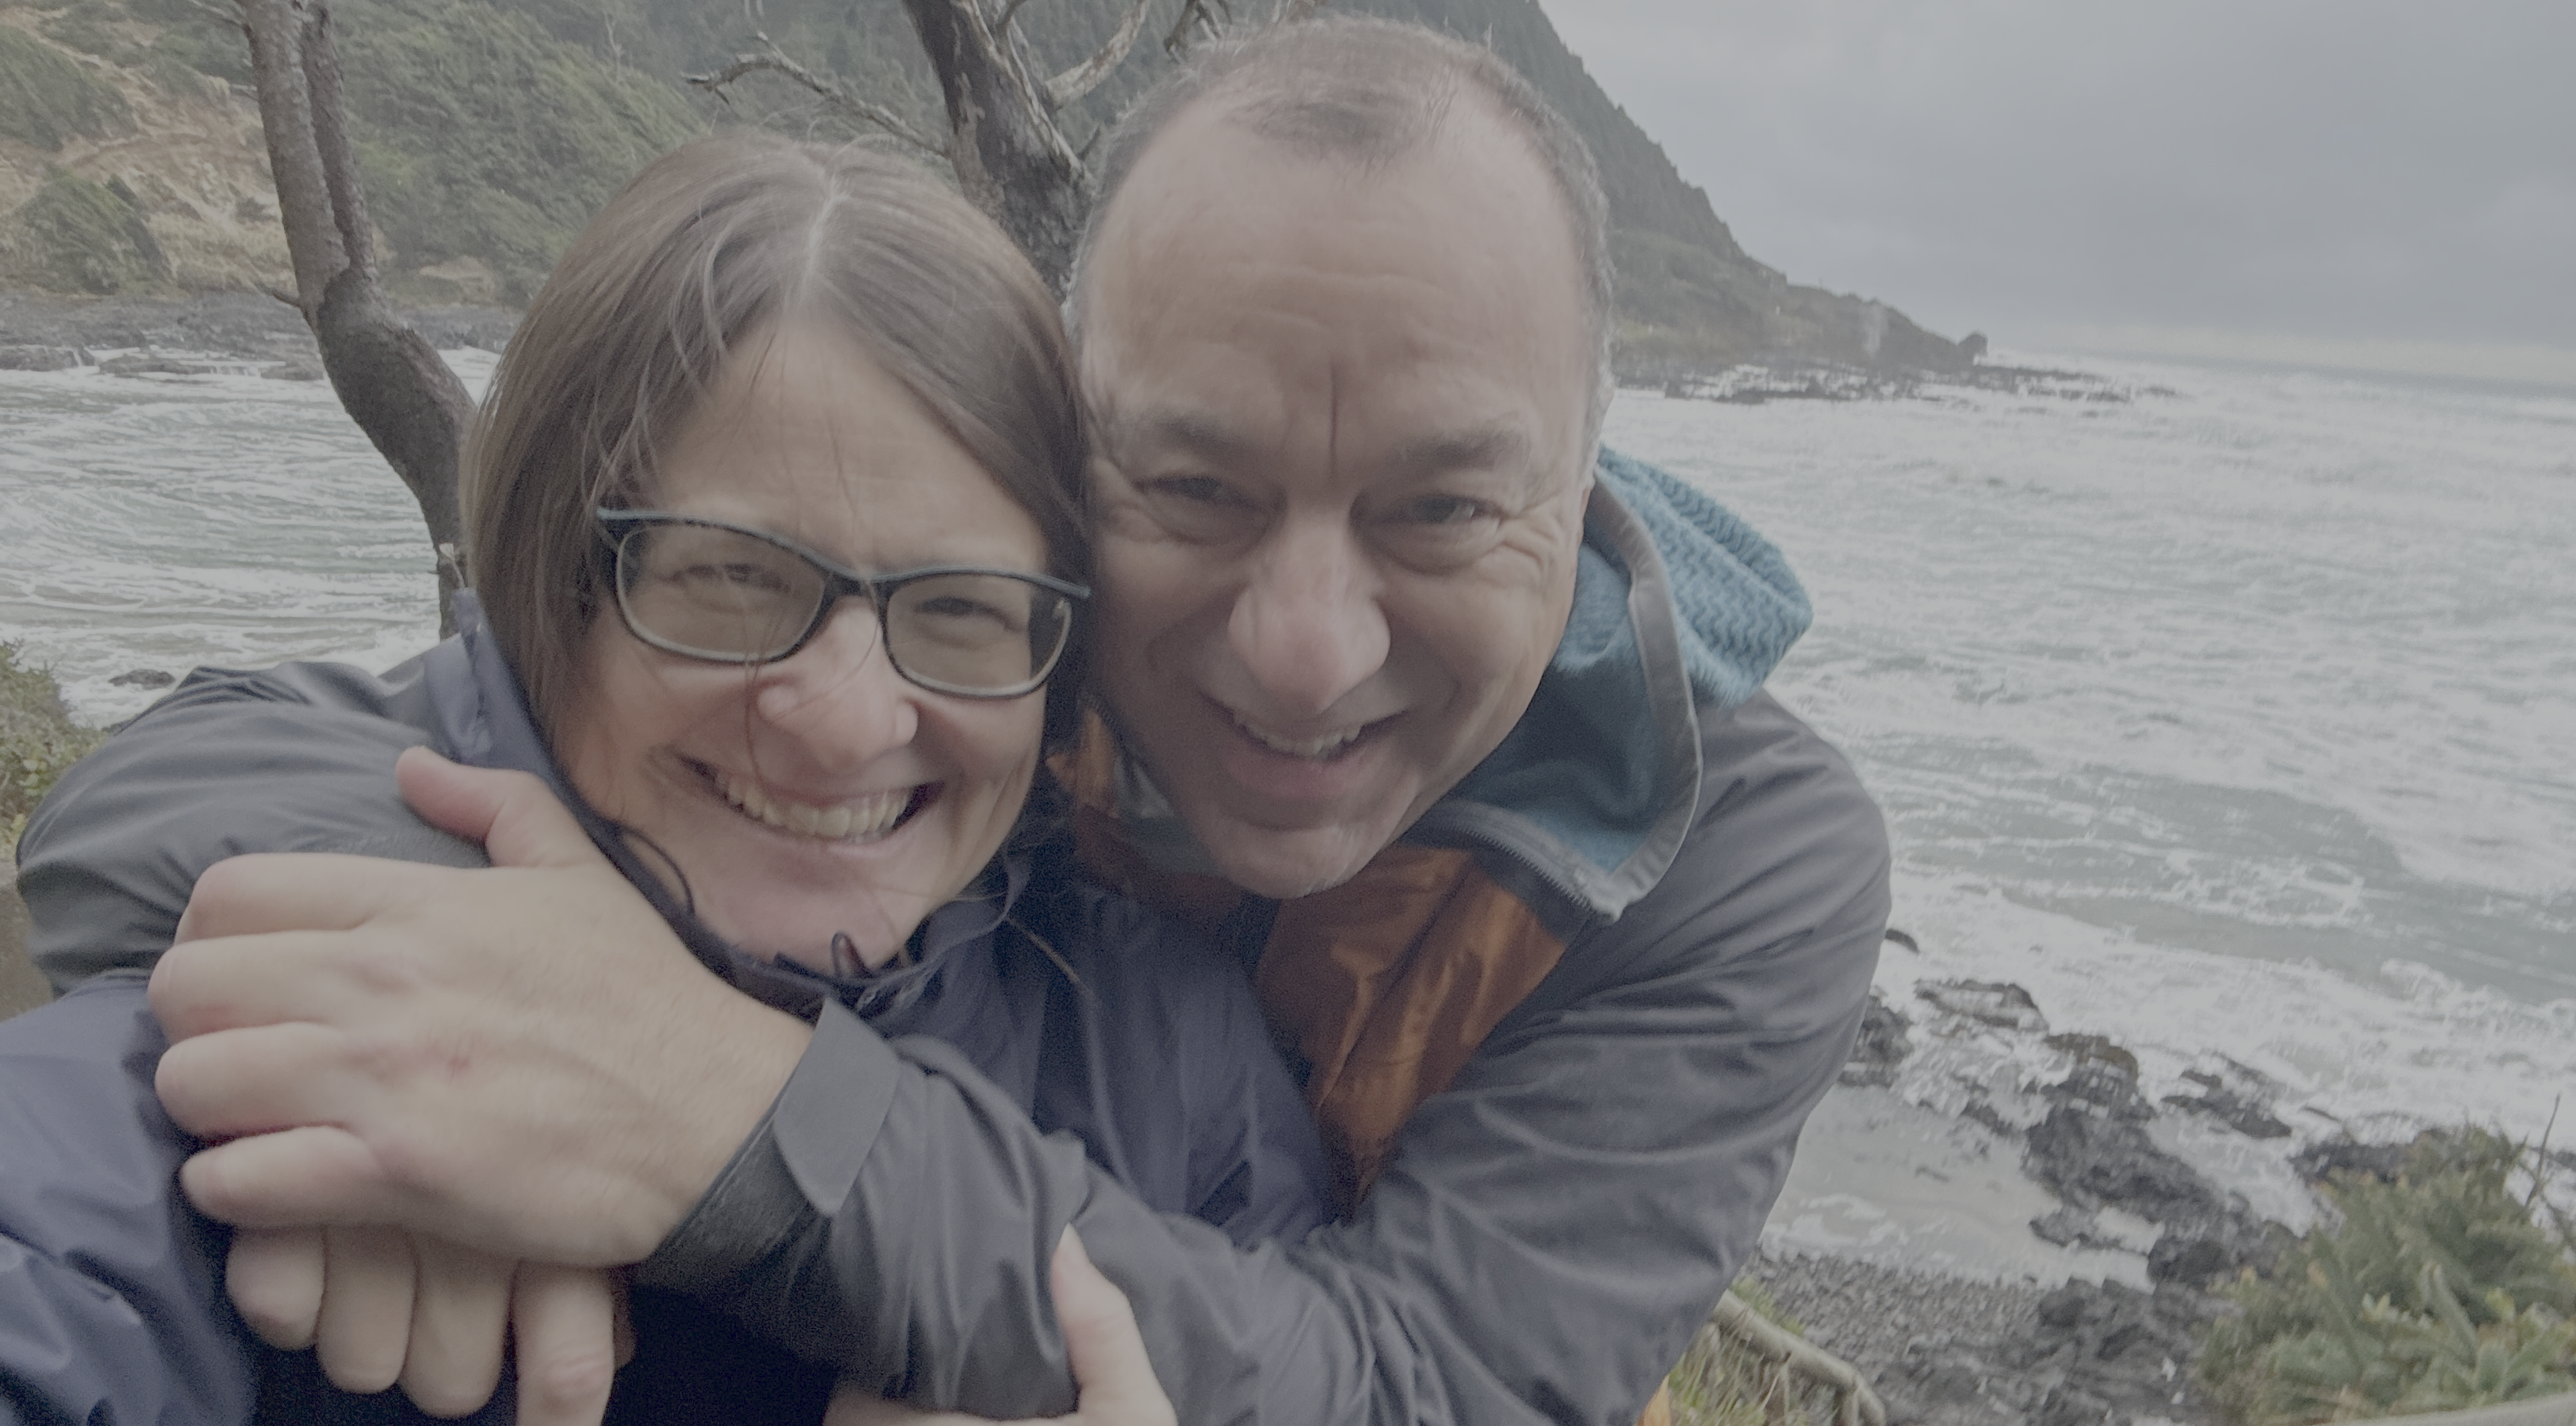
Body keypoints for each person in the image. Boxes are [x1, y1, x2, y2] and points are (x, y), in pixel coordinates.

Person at [27, 16, 1892, 1425]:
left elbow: (1416, 1385)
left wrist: (722, 1110)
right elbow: (331, 747)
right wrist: (385, 1001)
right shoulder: (988, 641)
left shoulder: (1733, 856)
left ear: (1588, 492)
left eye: (1438, 508)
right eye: (1198, 484)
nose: (1305, 652)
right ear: (1062, 468)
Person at [0, 133, 1329, 1423]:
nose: (845, 720)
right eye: (733, 578)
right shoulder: (316, 1036)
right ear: (554, 584)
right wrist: (465, 987)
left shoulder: (1173, 1069)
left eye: (963, 609)